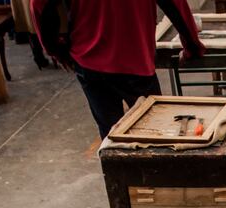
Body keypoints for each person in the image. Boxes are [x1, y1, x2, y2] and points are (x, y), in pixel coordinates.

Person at [31, 0, 205, 138]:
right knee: (155, 134)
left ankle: (121, 181)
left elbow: (39, 5)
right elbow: (175, 4)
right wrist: (192, 46)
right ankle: (152, 180)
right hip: (136, 61)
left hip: (89, 59)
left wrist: (55, 49)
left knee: (111, 138)